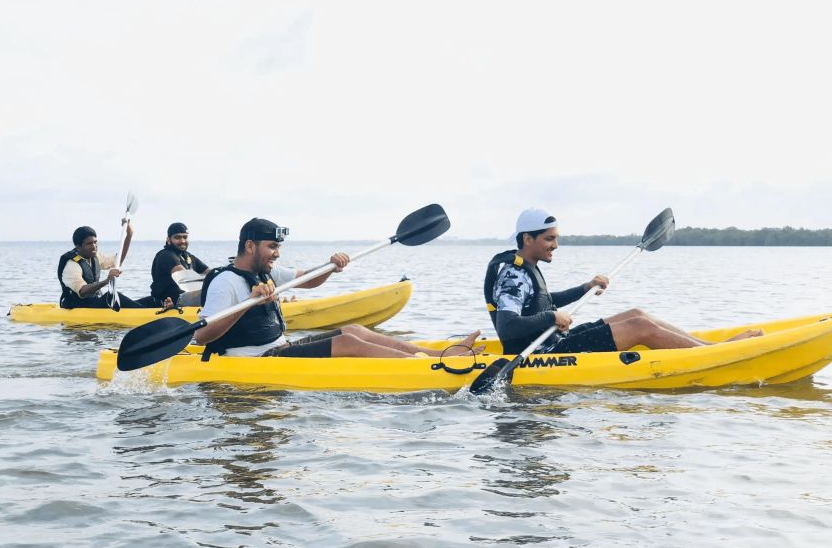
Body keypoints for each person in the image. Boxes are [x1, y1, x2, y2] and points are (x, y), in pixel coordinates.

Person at [193, 217, 483, 359]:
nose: (277, 253)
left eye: (278, 247)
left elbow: (308, 279)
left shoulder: (266, 272)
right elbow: (203, 337)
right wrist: (245, 308)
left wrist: (331, 266)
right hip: (253, 360)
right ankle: (426, 368)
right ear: (249, 246)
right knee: (348, 344)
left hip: (279, 348)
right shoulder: (225, 282)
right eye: (272, 247)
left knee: (354, 330)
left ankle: (434, 355)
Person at [484, 208, 763, 355]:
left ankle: (711, 349)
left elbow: (540, 303)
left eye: (555, 237)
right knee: (639, 327)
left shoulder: (526, 268)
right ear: (527, 239)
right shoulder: (513, 275)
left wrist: (583, 288)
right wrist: (552, 316)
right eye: (549, 239)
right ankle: (714, 354)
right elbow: (509, 328)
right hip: (543, 353)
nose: (556, 245)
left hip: (554, 339)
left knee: (636, 314)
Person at [57, 222, 145, 309]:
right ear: (78, 247)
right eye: (89, 244)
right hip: (78, 306)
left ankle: (150, 309)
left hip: (94, 301)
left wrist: (129, 235)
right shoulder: (72, 265)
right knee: (112, 296)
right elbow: (82, 291)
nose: (94, 246)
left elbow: (118, 261)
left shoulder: (95, 256)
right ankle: (146, 314)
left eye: (95, 242)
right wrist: (107, 280)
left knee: (149, 300)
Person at [147, 222, 211, 308]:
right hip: (168, 304)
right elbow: (187, 279)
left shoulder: (188, 256)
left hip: (184, 301)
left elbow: (210, 273)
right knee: (208, 291)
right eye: (177, 237)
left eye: (185, 237)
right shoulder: (166, 255)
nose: (182, 241)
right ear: (168, 239)